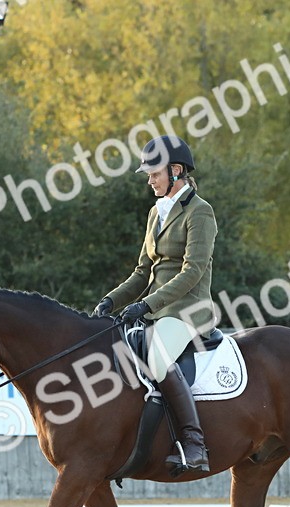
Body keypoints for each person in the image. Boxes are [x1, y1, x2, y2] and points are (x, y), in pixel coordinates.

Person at [93, 135, 216, 475]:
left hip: (188, 310)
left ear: (176, 171)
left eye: (154, 173)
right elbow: (142, 271)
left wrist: (145, 305)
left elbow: (192, 272)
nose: (149, 180)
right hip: (155, 310)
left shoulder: (200, 212)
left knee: (158, 359)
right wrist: (111, 300)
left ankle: (194, 444)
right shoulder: (155, 213)